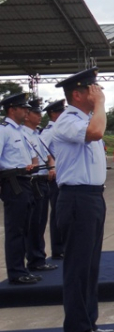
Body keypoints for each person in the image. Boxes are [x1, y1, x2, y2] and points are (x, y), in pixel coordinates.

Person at [52, 67, 111, 332]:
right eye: (91, 88)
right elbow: (96, 133)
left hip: (92, 198)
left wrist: (96, 106)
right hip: (77, 199)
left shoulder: (86, 118)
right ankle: (77, 328)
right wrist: (100, 105)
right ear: (77, 94)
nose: (97, 91)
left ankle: (89, 323)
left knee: (91, 265)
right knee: (78, 266)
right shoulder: (67, 121)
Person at [0, 92, 41, 285]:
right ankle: (16, 272)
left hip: (26, 181)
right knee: (15, 229)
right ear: (12, 109)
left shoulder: (19, 132)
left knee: (25, 227)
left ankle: (23, 268)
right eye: (23, 108)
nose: (27, 111)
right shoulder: (4, 131)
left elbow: (31, 156)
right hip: (13, 183)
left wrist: (31, 165)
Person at [23, 98, 58, 271]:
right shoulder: (23, 134)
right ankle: (34, 259)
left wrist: (51, 166)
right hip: (32, 182)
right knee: (33, 223)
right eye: (36, 113)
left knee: (40, 222)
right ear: (27, 115)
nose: (39, 116)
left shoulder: (37, 134)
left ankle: (39, 258)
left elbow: (47, 154)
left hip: (43, 180)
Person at [40, 99, 66, 259]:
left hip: (64, 175)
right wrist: (51, 165)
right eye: (61, 112)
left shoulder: (60, 128)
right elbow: (40, 148)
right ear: (53, 114)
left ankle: (63, 245)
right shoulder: (50, 131)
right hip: (55, 176)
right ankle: (58, 249)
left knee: (63, 212)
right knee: (57, 212)